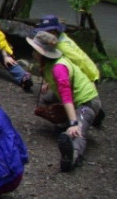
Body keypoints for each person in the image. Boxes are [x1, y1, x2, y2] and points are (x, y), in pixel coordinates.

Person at [26, 31, 102, 172]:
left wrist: (73, 123)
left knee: (77, 130)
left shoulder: (59, 67)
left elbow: (66, 94)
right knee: (46, 99)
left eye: (35, 51)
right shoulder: (49, 65)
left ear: (43, 53)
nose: (33, 54)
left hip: (87, 102)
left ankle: (72, 155)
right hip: (73, 98)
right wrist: (49, 84)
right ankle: (67, 121)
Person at [33, 14, 105, 127]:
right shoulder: (61, 37)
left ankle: (93, 114)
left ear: (54, 32)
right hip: (78, 72)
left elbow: (80, 61)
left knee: (79, 99)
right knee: (49, 98)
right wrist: (48, 82)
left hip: (88, 73)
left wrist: (92, 78)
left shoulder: (62, 47)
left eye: (46, 32)